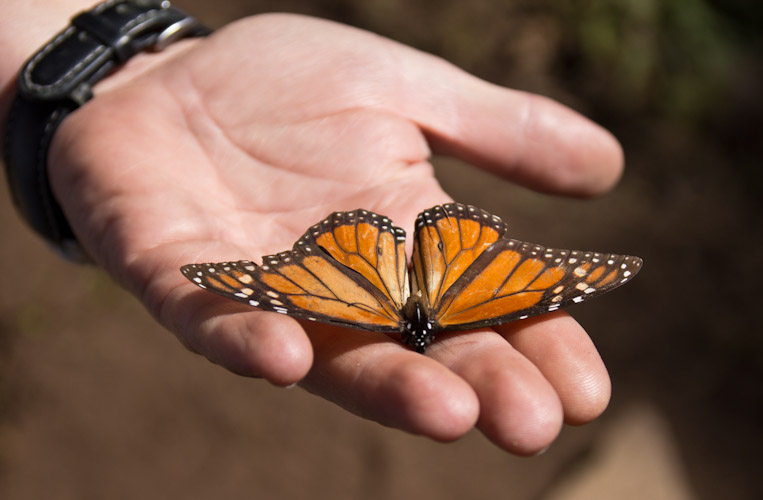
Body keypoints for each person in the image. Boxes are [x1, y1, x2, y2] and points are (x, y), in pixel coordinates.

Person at [0, 1, 624, 455]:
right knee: (534, 295)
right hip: (451, 277)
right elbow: (540, 279)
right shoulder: (445, 307)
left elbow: (290, 283)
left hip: (368, 278)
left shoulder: (365, 310)